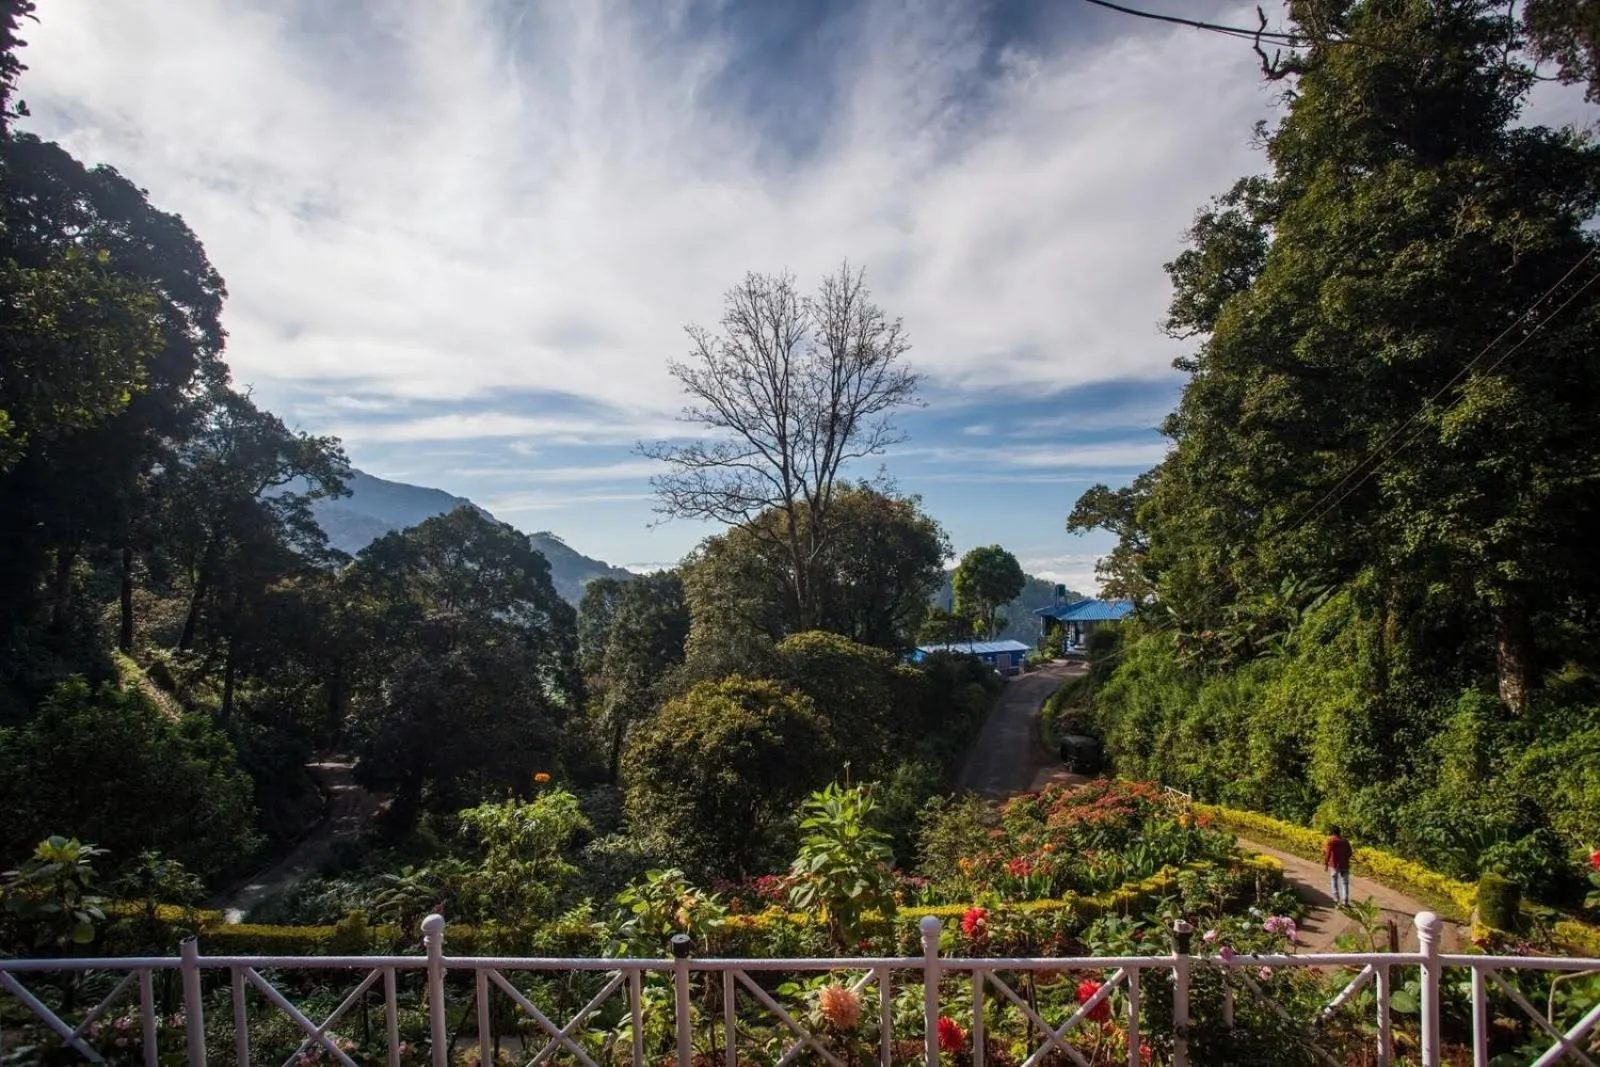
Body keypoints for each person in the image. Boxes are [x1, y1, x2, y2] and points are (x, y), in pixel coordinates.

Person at [1324, 825, 1353, 906]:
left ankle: (1336, 900)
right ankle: (1345, 901)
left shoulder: (1331, 841)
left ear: (1332, 832)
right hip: (1345, 865)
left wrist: (1326, 864)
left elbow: (1327, 854)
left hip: (1334, 865)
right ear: (1339, 832)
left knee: (1334, 881)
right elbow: (1350, 853)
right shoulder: (1345, 841)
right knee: (1345, 883)